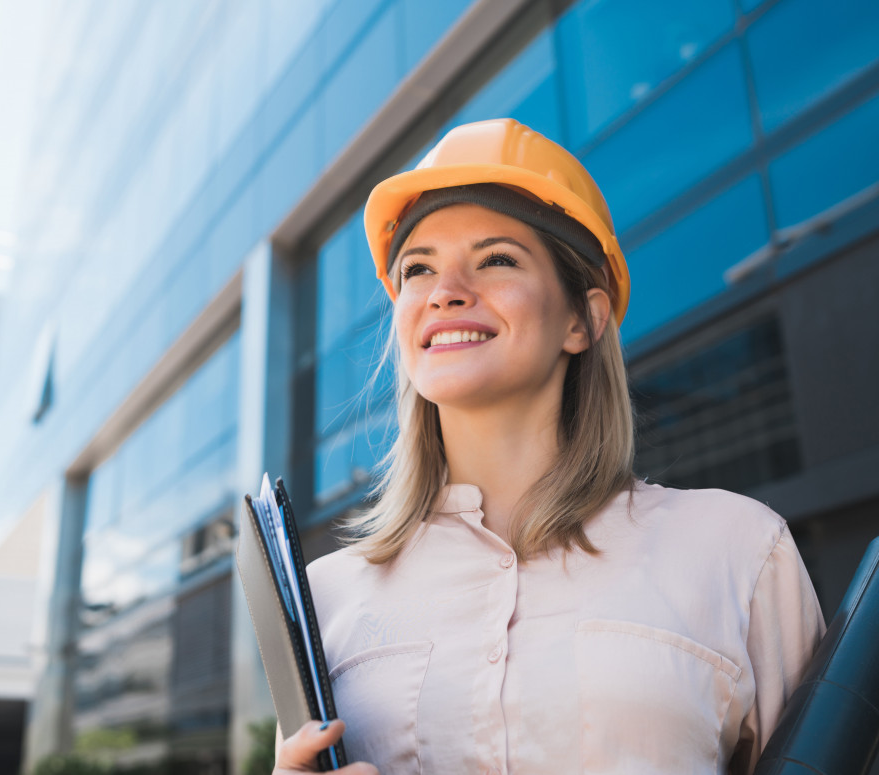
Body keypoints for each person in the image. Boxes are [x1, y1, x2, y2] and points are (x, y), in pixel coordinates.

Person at [273, 119, 825, 774]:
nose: (445, 290)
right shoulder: (324, 600)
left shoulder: (738, 550)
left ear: (581, 318)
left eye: (497, 259)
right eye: (418, 268)